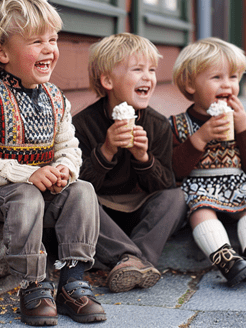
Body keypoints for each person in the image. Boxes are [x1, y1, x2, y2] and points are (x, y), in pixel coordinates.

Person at [0, 0, 106, 326]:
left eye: (53, 40)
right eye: (37, 41)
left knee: (82, 190)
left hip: (36, 191)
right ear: (2, 52)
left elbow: (69, 147)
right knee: (25, 194)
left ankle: (73, 279)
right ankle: (32, 283)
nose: (50, 49)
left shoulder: (55, 98)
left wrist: (64, 169)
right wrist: (28, 174)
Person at [72, 33, 187, 293]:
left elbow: (164, 184)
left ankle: (129, 260)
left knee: (177, 197)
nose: (148, 77)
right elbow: (79, 182)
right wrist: (106, 151)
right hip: (101, 211)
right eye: (138, 70)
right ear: (107, 80)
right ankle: (134, 258)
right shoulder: (82, 125)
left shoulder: (157, 124)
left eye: (152, 70)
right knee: (75, 198)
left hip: (138, 210)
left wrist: (143, 158)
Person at [169, 37, 246, 287]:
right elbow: (175, 169)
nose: (227, 84)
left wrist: (244, 129)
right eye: (217, 77)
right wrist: (200, 138)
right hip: (199, 189)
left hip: (236, 185)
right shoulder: (177, 125)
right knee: (201, 212)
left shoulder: (240, 121)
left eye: (233, 77)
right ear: (190, 84)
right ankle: (226, 258)